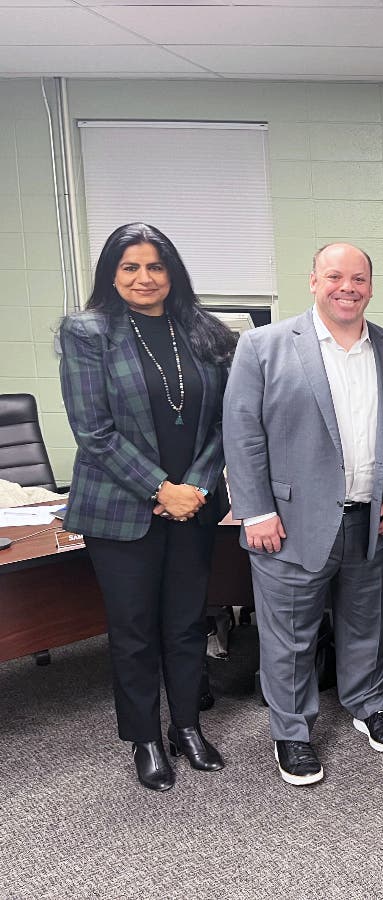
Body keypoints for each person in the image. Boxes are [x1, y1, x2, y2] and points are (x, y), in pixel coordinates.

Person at [223, 242, 383, 786]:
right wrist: (255, 511)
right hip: (288, 523)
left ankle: (368, 703)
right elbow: (241, 433)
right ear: (313, 281)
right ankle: (291, 731)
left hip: (372, 519)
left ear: (371, 287)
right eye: (335, 277)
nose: (347, 288)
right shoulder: (262, 347)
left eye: (358, 279)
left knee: (367, 622)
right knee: (290, 635)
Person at [59, 222, 236, 791]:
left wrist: (197, 487)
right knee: (133, 630)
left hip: (194, 506)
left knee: (186, 624)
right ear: (111, 275)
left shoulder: (205, 332)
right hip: (121, 510)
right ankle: (145, 738)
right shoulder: (88, 332)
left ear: (172, 272)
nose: (144, 278)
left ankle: (186, 727)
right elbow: (94, 431)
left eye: (155, 266)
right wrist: (162, 489)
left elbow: (225, 421)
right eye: (130, 267)